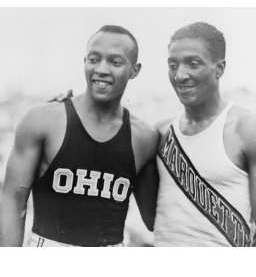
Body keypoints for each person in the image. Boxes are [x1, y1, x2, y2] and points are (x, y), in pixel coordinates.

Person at [0, 25, 159, 247]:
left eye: (115, 62)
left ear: (135, 70)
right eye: (94, 59)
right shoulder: (43, 120)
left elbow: (155, 220)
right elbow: (13, 201)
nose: (102, 69)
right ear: (85, 61)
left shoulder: (145, 137)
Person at [153, 22, 256, 247]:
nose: (180, 75)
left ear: (219, 68)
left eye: (193, 64)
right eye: (172, 65)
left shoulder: (250, 131)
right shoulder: (161, 134)